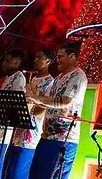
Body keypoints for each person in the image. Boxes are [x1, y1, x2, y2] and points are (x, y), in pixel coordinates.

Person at [28, 42, 87, 179]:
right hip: (47, 136)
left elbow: (66, 101)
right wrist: (29, 104)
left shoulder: (77, 76)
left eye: (61, 56)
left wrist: (36, 98)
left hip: (64, 139)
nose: (57, 60)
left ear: (72, 56)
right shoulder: (58, 78)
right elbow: (45, 104)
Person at [5, 50, 55, 179]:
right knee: (8, 171)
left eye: (40, 57)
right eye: (35, 57)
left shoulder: (50, 82)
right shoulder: (31, 79)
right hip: (17, 131)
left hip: (30, 135)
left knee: (18, 172)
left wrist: (24, 110)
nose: (36, 60)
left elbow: (42, 108)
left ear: (48, 61)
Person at [0, 49, 28, 175]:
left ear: (16, 63)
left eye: (7, 61)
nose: (3, 63)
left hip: (3, 130)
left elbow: (15, 102)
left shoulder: (19, 78)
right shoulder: (9, 78)